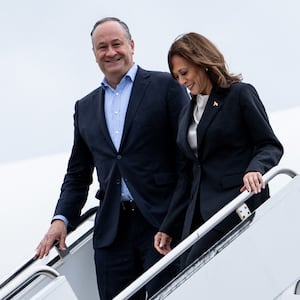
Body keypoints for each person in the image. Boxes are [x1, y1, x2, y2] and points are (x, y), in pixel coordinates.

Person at [35, 17, 190, 299]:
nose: (110, 52)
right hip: (112, 233)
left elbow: (186, 159)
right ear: (94, 55)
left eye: (116, 44)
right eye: (101, 47)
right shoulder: (85, 107)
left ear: (131, 45)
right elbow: (78, 175)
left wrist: (176, 217)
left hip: (161, 222)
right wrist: (61, 219)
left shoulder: (166, 86)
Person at [154, 32, 284, 268]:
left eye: (184, 73)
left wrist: (255, 169)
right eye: (176, 77)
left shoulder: (239, 94)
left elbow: (269, 144)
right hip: (199, 216)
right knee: (185, 273)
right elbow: (187, 175)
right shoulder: (186, 113)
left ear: (202, 62)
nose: (182, 81)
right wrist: (169, 226)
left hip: (236, 203)